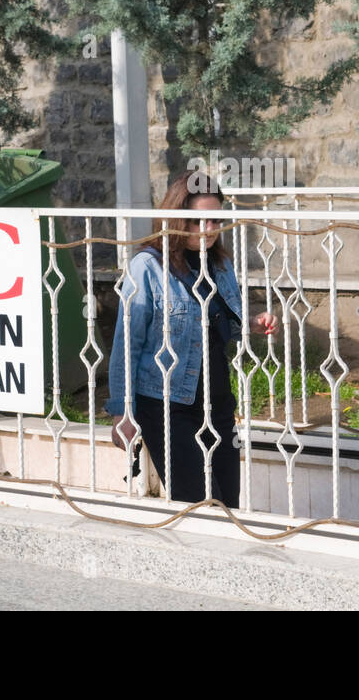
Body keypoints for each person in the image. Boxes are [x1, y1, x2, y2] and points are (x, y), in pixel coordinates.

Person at [104, 172, 278, 508]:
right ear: (177, 218)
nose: (209, 229)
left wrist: (252, 323)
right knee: (198, 502)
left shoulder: (220, 264)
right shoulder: (148, 268)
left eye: (215, 219)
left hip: (218, 402)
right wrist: (121, 412)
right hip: (168, 406)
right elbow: (127, 343)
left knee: (229, 500)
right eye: (198, 220)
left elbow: (218, 317)